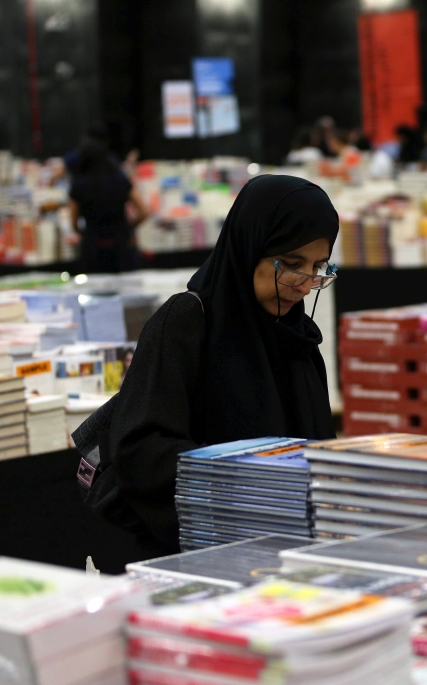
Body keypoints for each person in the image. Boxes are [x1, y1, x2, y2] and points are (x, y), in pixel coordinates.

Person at [107, 175, 340, 556]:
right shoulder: (187, 322)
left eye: (319, 268)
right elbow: (140, 450)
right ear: (249, 246)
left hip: (288, 552)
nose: (304, 284)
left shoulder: (299, 336)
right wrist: (245, 477)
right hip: (198, 550)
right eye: (292, 264)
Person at [68, 139, 149, 273]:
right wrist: (128, 226)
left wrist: (83, 233)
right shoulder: (120, 179)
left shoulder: (78, 185)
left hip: (92, 247)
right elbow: (144, 211)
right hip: (121, 245)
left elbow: (74, 222)